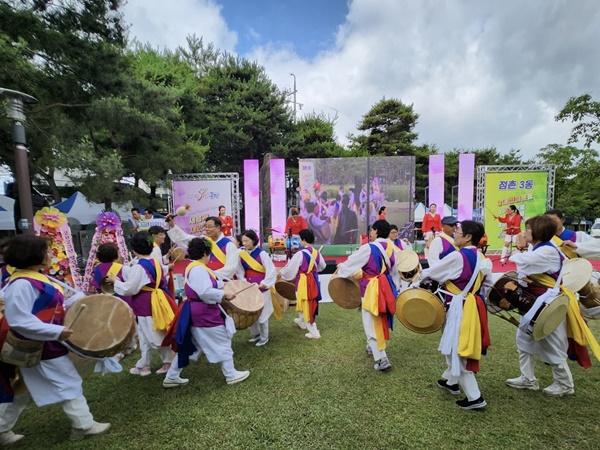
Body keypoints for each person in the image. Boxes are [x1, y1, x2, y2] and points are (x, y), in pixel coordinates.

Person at [0, 235, 110, 444]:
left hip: (43, 342)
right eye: (46, 251)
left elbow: (61, 299)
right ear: (33, 255)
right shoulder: (21, 284)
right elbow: (18, 320)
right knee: (67, 380)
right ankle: (84, 425)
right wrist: (56, 331)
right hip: (40, 345)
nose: (50, 254)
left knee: (22, 390)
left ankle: (2, 429)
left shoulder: (35, 277)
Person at [506, 215, 600, 396]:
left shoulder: (547, 251)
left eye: (527, 229)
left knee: (553, 342)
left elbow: (522, 261)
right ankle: (528, 378)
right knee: (524, 338)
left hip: (550, 303)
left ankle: (564, 384)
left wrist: (518, 250)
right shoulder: (540, 247)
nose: (524, 232)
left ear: (537, 232)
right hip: (539, 302)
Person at [419, 220, 492, 410]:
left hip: (457, 308)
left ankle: (475, 397)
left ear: (468, 237)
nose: (455, 234)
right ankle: (450, 381)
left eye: (458, 231)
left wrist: (415, 275)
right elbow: (487, 282)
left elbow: (432, 273)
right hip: (472, 307)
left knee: (456, 351)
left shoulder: (457, 257)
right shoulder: (483, 259)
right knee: (456, 344)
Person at [162, 238, 250, 388]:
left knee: (192, 346)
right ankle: (231, 375)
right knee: (222, 341)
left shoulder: (195, 266)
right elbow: (204, 291)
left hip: (197, 311)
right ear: (204, 253)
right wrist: (223, 295)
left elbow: (209, 283)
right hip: (204, 312)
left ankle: (171, 376)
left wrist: (225, 285)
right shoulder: (198, 269)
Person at [109, 231, 176, 377]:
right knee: (148, 335)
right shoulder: (153, 262)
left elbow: (130, 288)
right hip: (157, 300)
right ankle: (145, 365)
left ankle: (167, 363)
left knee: (154, 335)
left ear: (133, 249)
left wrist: (116, 281)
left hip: (146, 304)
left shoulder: (140, 267)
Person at [336, 220, 400, 371]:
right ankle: (372, 346)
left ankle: (381, 358)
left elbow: (351, 263)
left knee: (370, 321)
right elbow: (396, 272)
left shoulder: (369, 248)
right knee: (379, 318)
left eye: (372, 230)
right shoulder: (393, 248)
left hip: (371, 289)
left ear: (376, 231)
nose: (370, 233)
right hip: (387, 287)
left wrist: (341, 268)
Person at [279, 229, 326, 339]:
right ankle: (302, 321)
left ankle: (314, 332)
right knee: (305, 302)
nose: (299, 241)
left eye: (299, 239)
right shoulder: (316, 253)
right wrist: (312, 270)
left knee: (306, 304)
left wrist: (281, 273)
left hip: (303, 283)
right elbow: (322, 266)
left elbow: (291, 269)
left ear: (303, 240)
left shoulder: (300, 254)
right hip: (313, 281)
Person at [236, 230, 276, 346]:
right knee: (251, 312)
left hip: (261, 287)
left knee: (262, 314)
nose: (244, 243)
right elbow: (239, 270)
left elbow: (271, 270)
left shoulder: (262, 253)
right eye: (243, 241)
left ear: (253, 240)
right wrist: (243, 282)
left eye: (247, 241)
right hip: (249, 287)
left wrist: (264, 283)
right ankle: (256, 335)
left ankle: (264, 337)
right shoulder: (241, 254)